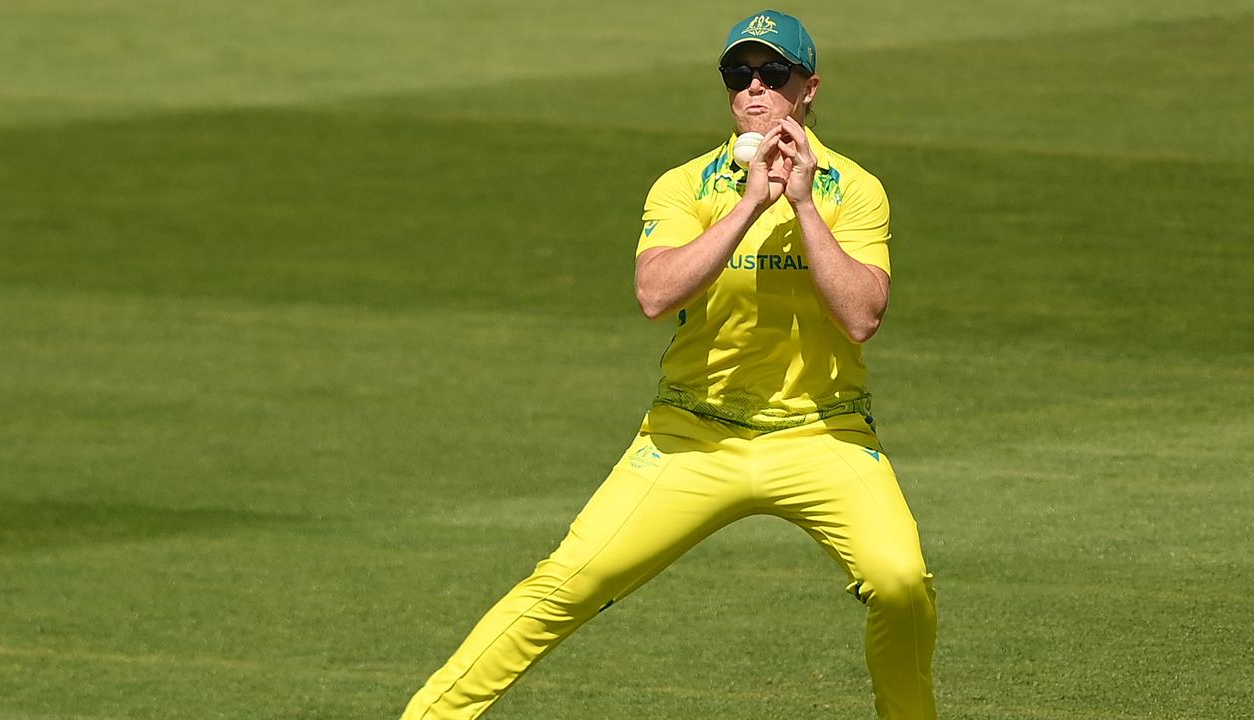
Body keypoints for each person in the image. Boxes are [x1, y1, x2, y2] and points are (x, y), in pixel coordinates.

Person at [400, 9, 937, 720]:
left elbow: (863, 316)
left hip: (822, 434)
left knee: (901, 582)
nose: (753, 89)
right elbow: (655, 293)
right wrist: (749, 205)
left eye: (772, 75)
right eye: (737, 75)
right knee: (565, 584)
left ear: (808, 88)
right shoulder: (687, 185)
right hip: (692, 436)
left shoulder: (852, 189)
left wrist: (803, 205)